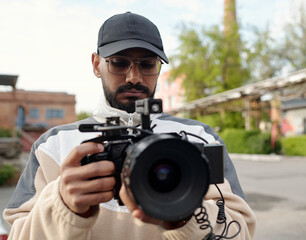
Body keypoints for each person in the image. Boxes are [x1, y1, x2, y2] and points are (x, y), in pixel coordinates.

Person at [3, 12, 256, 239]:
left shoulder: (199, 138)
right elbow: (17, 235)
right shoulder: (54, 146)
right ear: (96, 64)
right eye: (119, 63)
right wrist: (62, 205)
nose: (133, 77)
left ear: (158, 68)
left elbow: (239, 232)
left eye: (147, 64)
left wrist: (186, 217)